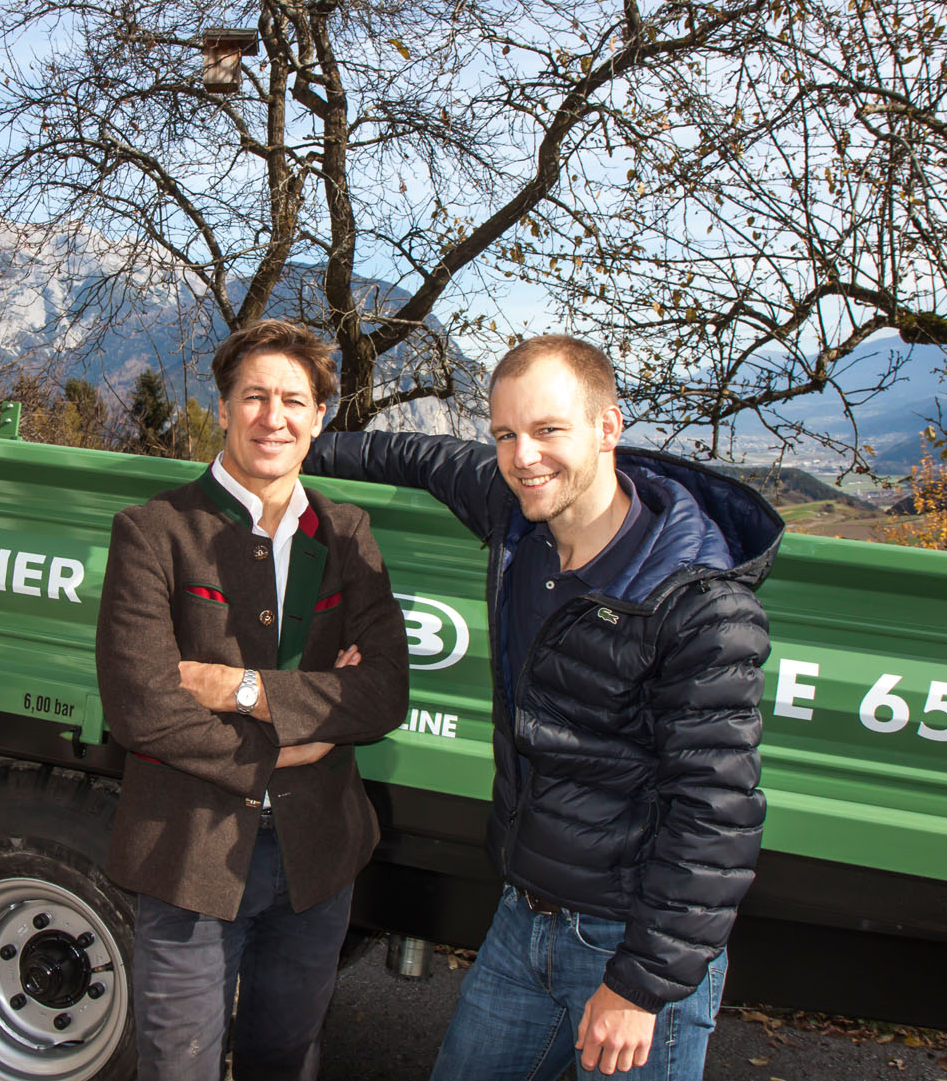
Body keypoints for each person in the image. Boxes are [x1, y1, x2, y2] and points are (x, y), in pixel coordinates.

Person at [306, 335, 782, 1080]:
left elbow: (714, 816)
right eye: (504, 434)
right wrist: (293, 444)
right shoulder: (517, 516)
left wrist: (639, 985)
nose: (523, 455)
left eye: (547, 430)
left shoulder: (697, 604)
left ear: (606, 427)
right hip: (522, 919)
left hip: (626, 947)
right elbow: (413, 456)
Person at [96, 319, 410, 1081]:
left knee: (284, 1060)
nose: (275, 417)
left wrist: (235, 688)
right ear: (225, 406)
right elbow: (140, 706)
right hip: (188, 854)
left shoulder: (346, 534)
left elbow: (381, 694)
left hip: (317, 859)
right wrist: (306, 730)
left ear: (318, 417)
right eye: (256, 397)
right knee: (179, 1067)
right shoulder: (153, 532)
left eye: (294, 400)